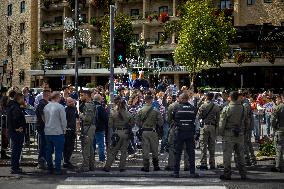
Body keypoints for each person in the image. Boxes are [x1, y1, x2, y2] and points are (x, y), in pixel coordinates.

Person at [219, 91, 249, 180]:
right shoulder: (244, 108)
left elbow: (222, 123)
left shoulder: (227, 108)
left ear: (231, 98)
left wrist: (220, 133)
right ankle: (243, 174)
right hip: (240, 134)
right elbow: (247, 121)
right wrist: (245, 131)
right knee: (240, 155)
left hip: (228, 135)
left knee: (227, 156)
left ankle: (227, 174)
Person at [171, 93, 198, 178]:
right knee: (191, 153)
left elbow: (172, 118)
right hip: (190, 133)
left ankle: (176, 172)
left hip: (179, 132)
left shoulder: (176, 108)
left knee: (177, 153)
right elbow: (195, 120)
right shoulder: (193, 108)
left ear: (181, 99)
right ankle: (192, 172)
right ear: (188, 99)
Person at [104, 99, 134, 172]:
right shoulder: (128, 114)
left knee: (113, 151)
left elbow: (110, 124)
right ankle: (122, 167)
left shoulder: (113, 113)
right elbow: (132, 124)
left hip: (117, 133)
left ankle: (107, 167)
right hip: (126, 133)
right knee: (124, 152)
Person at [136, 94, 163, 172]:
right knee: (155, 149)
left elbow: (137, 122)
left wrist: (142, 126)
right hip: (153, 131)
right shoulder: (156, 110)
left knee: (145, 149)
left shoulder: (140, 110)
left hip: (144, 131)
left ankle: (146, 166)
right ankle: (156, 166)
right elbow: (161, 122)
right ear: (151, 100)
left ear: (145, 100)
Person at [44, 92, 67, 175]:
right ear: (57, 97)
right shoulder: (60, 107)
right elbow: (63, 120)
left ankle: (50, 168)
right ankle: (57, 169)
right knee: (58, 151)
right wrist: (64, 129)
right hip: (58, 131)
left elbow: (44, 118)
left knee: (49, 151)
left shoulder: (46, 106)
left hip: (48, 131)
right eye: (60, 97)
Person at [196, 92, 220, 170]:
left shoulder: (203, 106)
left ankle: (203, 163)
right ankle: (212, 164)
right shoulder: (216, 107)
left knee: (203, 146)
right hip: (213, 127)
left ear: (206, 97)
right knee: (212, 146)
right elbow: (218, 119)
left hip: (205, 126)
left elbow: (198, 117)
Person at [7, 93, 26, 174]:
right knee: (16, 150)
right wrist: (18, 128)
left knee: (16, 150)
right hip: (16, 132)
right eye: (23, 98)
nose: (24, 100)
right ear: (19, 98)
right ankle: (14, 168)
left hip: (14, 131)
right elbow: (15, 118)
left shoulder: (14, 106)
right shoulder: (15, 107)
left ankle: (15, 167)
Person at [78, 90, 96, 172]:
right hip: (90, 128)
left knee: (86, 147)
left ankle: (86, 166)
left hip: (88, 128)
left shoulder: (88, 105)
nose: (80, 97)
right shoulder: (91, 104)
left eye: (82, 95)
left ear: (86, 95)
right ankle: (91, 165)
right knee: (90, 147)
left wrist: (81, 115)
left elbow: (88, 119)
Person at [35, 89, 51, 169]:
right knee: (43, 144)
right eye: (49, 94)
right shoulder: (42, 103)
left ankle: (43, 160)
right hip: (42, 126)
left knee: (45, 144)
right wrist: (47, 124)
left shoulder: (45, 103)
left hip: (43, 126)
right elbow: (43, 116)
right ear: (47, 95)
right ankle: (41, 161)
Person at [92, 94, 108, 162]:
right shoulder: (100, 108)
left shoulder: (91, 106)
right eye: (101, 98)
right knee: (101, 145)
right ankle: (101, 159)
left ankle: (91, 159)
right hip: (100, 129)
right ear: (99, 99)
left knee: (92, 145)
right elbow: (105, 119)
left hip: (91, 128)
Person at [63, 97, 78, 169]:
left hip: (73, 130)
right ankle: (66, 161)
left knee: (71, 147)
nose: (71, 103)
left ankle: (67, 160)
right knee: (67, 147)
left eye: (72, 101)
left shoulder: (75, 109)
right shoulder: (66, 110)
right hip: (67, 131)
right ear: (66, 103)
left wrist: (77, 129)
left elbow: (76, 118)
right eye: (69, 102)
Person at [271, 94, 284, 172]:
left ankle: (278, 166)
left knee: (279, 148)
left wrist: (275, 127)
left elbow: (273, 119)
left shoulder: (279, 107)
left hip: (280, 129)